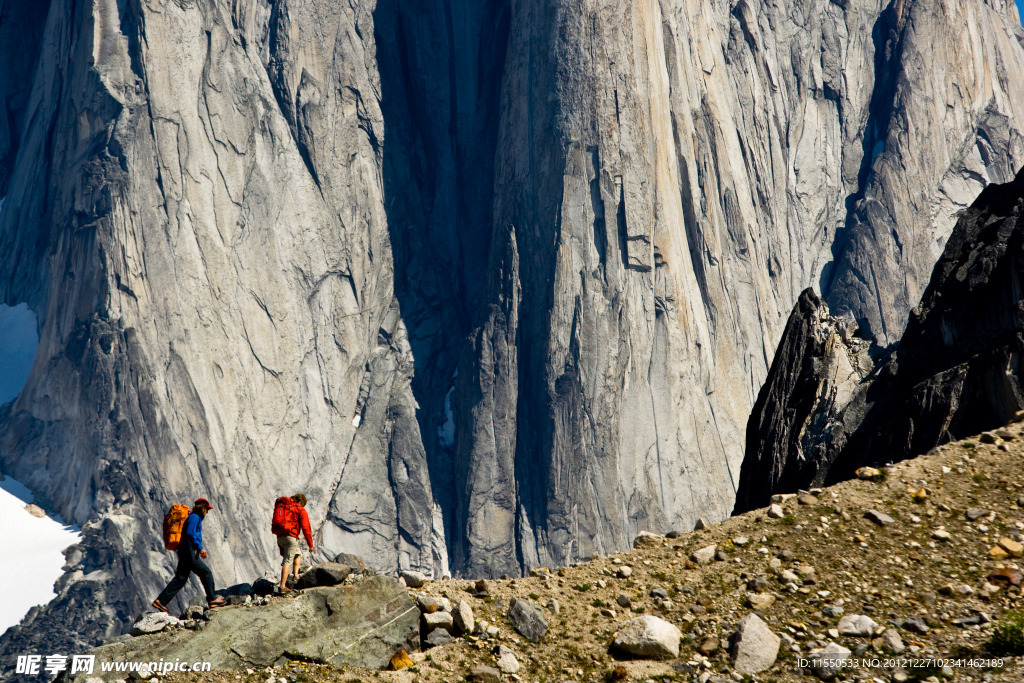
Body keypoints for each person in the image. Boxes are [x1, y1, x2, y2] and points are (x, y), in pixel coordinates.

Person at [152, 498, 226, 611]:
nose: (207, 511)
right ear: (203, 507)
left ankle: (160, 601)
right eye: (207, 509)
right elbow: (190, 533)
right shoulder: (195, 517)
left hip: (185, 550)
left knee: (181, 578)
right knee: (206, 572)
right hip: (188, 550)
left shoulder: (193, 517)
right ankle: (212, 599)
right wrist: (200, 548)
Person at [276, 493, 314, 593]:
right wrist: (310, 544)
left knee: (298, 554)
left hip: (280, 537)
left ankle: (296, 576)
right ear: (301, 502)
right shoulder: (300, 510)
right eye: (303, 504)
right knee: (287, 561)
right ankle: (282, 586)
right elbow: (306, 528)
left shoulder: (284, 508)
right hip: (291, 537)